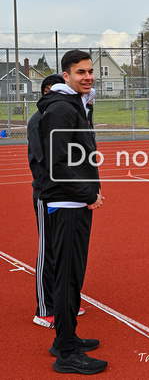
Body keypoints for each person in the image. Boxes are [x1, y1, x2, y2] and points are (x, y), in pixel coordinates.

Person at [37, 50, 108, 374]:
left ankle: (66, 338)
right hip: (66, 205)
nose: (88, 76)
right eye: (81, 72)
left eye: (91, 71)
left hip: (75, 202)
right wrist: (89, 192)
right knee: (66, 279)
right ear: (66, 76)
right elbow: (59, 164)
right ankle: (66, 353)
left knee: (73, 276)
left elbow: (80, 155)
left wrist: (90, 190)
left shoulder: (77, 104)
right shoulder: (62, 109)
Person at [28, 74, 85, 329]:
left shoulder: (66, 115)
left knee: (63, 252)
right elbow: (47, 160)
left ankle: (63, 302)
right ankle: (44, 307)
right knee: (48, 250)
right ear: (44, 93)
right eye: (49, 91)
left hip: (64, 195)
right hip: (45, 193)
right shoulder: (38, 120)